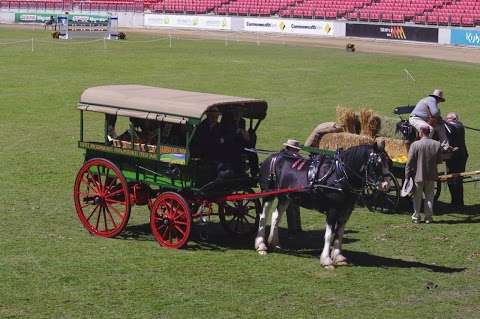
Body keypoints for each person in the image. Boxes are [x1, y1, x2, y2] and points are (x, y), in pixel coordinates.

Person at [405, 126, 443, 224]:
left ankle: (416, 217)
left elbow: (409, 162)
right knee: (429, 196)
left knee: (417, 197)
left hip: (418, 175)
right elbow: (439, 160)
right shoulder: (437, 144)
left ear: (421, 133)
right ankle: (428, 218)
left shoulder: (415, 145)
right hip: (431, 175)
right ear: (429, 133)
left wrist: (407, 176)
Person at [444, 112, 469, 208]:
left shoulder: (458, 127)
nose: (448, 120)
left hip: (459, 157)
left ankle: (458, 202)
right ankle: (454, 201)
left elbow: (451, 127)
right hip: (452, 156)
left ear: (455, 119)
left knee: (457, 179)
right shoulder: (451, 126)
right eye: (447, 118)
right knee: (451, 179)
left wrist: (442, 122)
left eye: (449, 119)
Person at [280, 139, 303, 235]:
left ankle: (297, 228)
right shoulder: (285, 157)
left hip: (295, 185)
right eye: (296, 150)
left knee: (296, 207)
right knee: (290, 207)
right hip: (288, 185)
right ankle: (293, 229)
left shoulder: (296, 157)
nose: (297, 152)